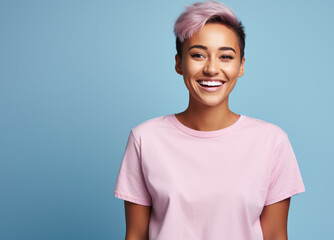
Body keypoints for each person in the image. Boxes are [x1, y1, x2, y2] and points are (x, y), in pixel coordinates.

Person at [113, 1, 305, 239]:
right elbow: (135, 234)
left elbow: (276, 235)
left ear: (241, 66)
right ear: (179, 63)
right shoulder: (145, 139)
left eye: (225, 56)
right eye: (198, 55)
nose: (212, 69)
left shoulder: (272, 142)